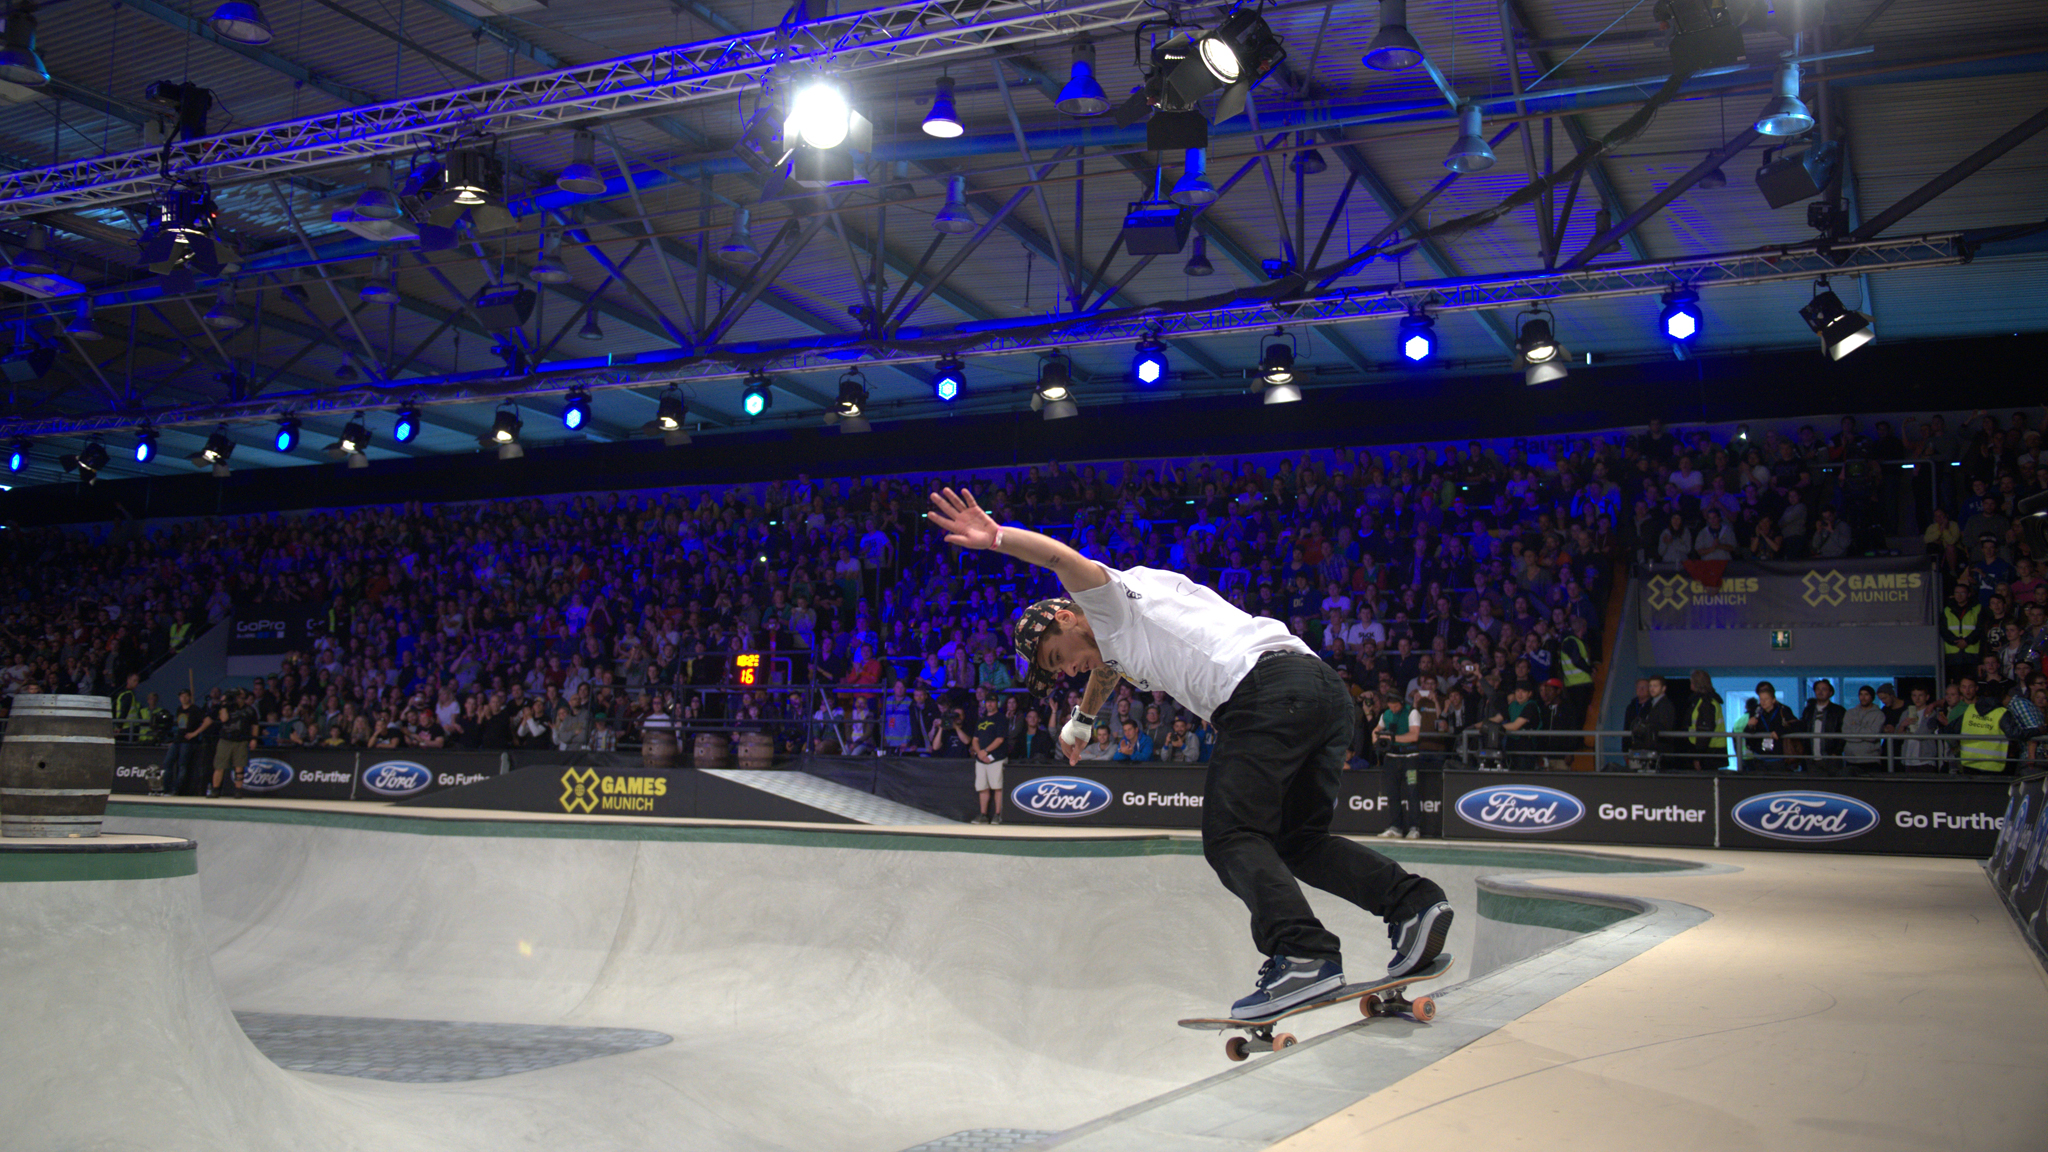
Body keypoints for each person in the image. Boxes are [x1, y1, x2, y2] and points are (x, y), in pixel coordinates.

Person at [930, 486, 1451, 1019]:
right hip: (1321, 691)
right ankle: (1413, 905)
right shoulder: (1124, 619)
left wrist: (996, 537)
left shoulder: (1102, 600)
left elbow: (1061, 559)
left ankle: (1302, 954)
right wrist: (1083, 721)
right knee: (1298, 841)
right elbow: (1108, 668)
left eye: (1056, 658)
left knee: (1230, 836)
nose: (1066, 670)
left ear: (1065, 618)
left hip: (1263, 694)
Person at [1372, 690, 1423, 840]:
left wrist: (1393, 738)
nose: (1393, 709)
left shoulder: (1412, 713)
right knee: (1392, 792)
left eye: (1396, 706)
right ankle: (1395, 827)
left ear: (1401, 702)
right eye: (1390, 706)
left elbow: (1414, 735)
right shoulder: (1386, 714)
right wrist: (1376, 739)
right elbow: (1376, 729)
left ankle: (1414, 827)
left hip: (1409, 758)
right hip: (1391, 758)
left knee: (1412, 791)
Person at [1798, 679, 1847, 776]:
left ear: (1830, 693)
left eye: (1824, 689)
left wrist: (1836, 752)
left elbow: (1844, 732)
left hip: (1831, 758)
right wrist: (1805, 751)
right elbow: (1803, 730)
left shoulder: (1838, 711)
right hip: (1811, 757)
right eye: (1818, 689)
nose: (1820, 692)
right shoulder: (1808, 710)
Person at [1742, 681, 1795, 770]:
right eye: (1761, 699)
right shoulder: (1756, 711)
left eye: (1766, 699)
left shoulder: (1783, 710)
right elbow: (1747, 733)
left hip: (1778, 758)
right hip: (1759, 757)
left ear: (1773, 699)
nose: (1763, 702)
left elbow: (1796, 725)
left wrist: (1780, 732)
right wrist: (1750, 725)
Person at [970, 696, 1006, 824]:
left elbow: (1000, 739)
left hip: (996, 758)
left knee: (997, 787)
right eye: (988, 702)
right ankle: (983, 815)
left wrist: (985, 751)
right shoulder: (981, 720)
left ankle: (998, 814)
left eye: (992, 702)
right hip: (981, 759)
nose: (990, 704)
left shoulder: (1001, 718)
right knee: (982, 787)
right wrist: (980, 753)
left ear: (997, 703)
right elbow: (975, 739)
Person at [1684, 670, 1725, 771]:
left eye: (1692, 682)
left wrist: (1698, 757)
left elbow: (1704, 731)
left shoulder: (1706, 703)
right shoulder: (1707, 701)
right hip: (1710, 751)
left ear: (1696, 684)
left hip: (1708, 752)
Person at [1841, 685, 1886, 775]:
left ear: (1872, 697)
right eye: (1861, 694)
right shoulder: (1850, 713)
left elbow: (1873, 736)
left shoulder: (1879, 715)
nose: (1863, 697)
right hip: (1851, 758)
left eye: (1866, 694)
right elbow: (1845, 733)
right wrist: (1864, 735)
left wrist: (1854, 729)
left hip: (1871, 759)